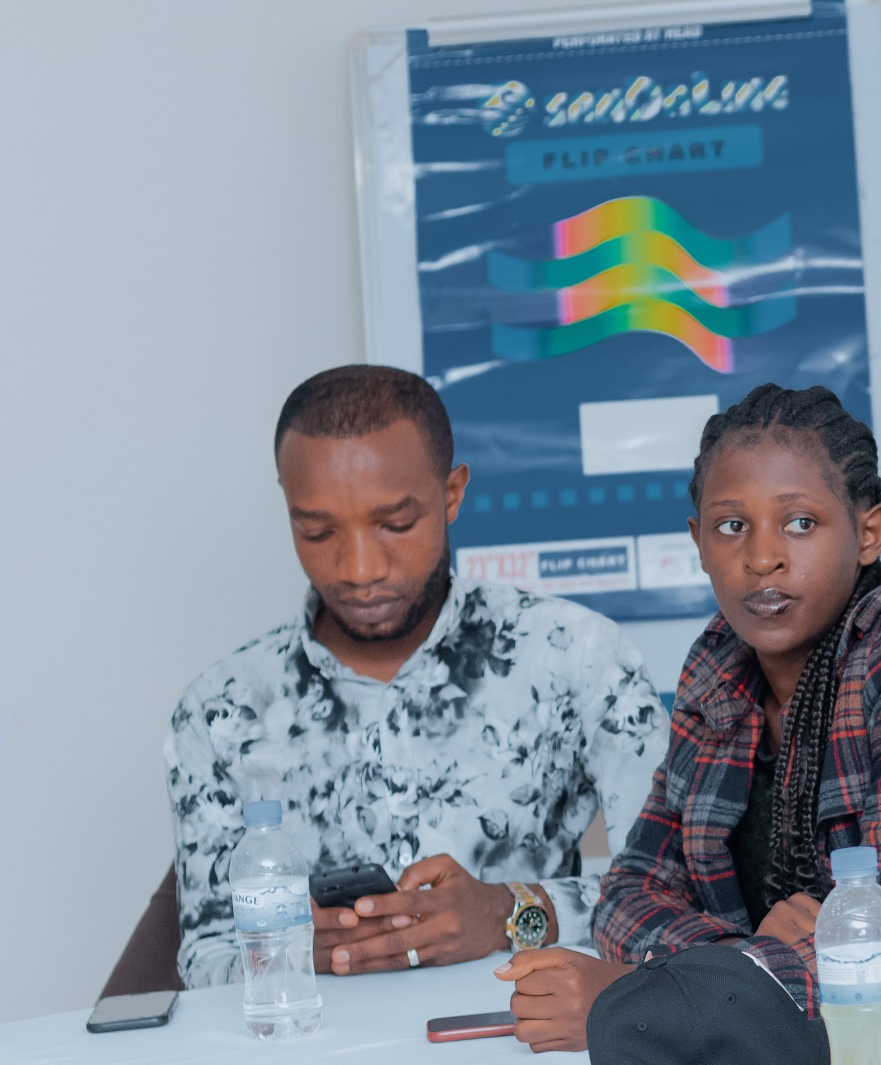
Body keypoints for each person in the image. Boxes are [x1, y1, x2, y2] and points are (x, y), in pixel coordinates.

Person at [499, 383, 881, 1052]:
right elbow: (628, 894)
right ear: (698, 541)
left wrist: (649, 993)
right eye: (731, 526)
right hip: (777, 1049)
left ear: (868, 533)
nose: (761, 557)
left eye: (800, 523)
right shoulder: (718, 662)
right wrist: (738, 958)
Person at [166, 365, 663, 987]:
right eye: (317, 531)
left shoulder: (575, 656)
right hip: (316, 1045)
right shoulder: (221, 709)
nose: (360, 568)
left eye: (396, 524)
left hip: (519, 1033)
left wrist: (509, 913)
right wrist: (286, 951)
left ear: (452, 493)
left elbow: (668, 894)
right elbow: (205, 955)